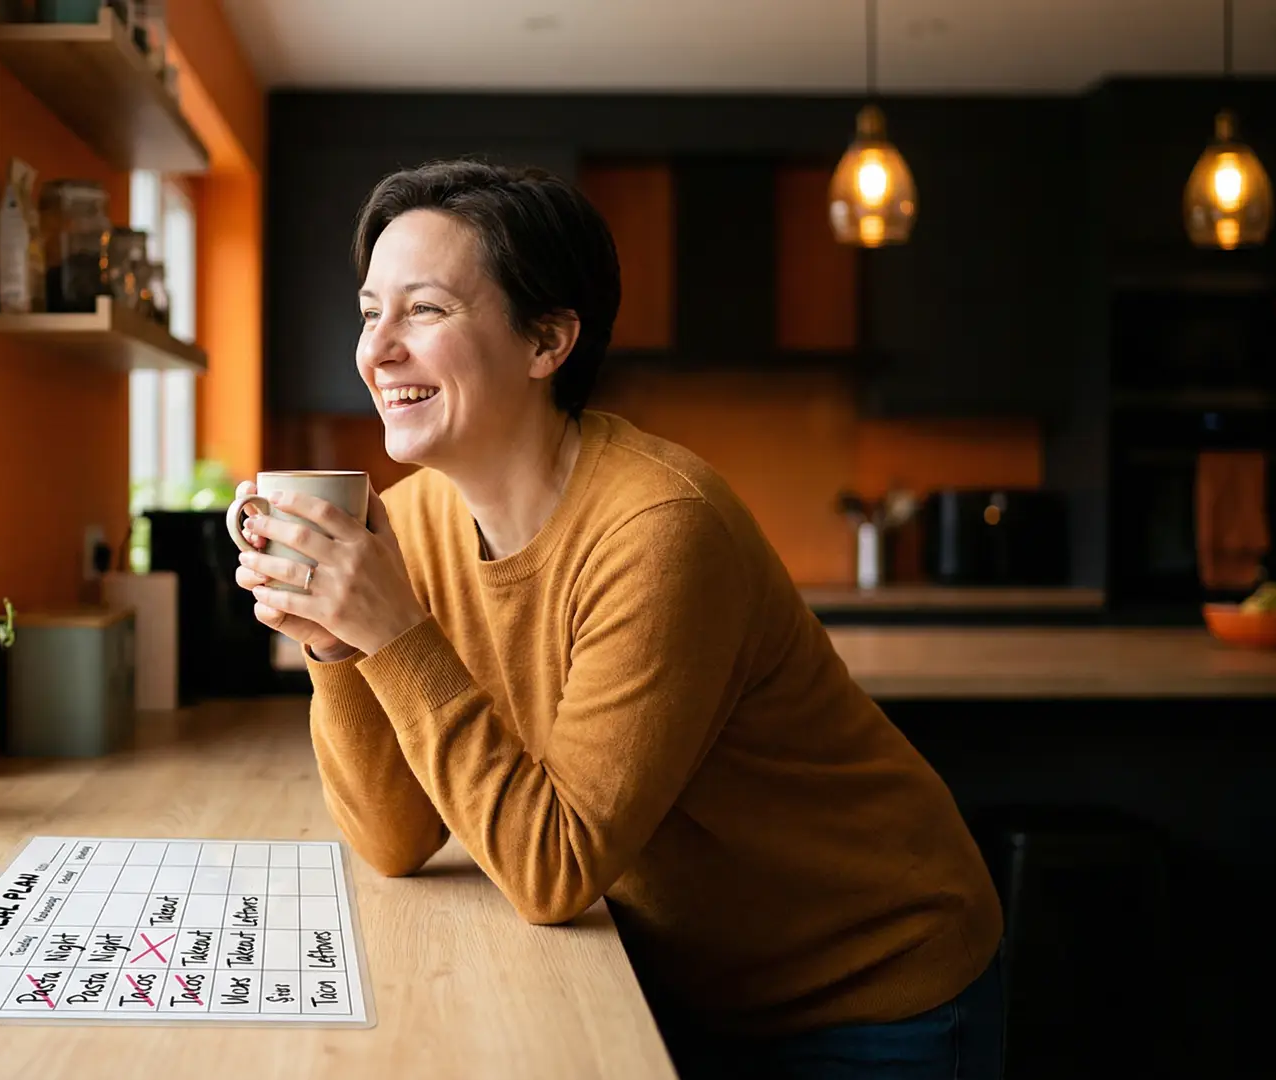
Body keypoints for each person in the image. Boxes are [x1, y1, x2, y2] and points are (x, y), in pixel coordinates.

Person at [231, 159, 1005, 1079]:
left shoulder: (659, 529)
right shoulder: (415, 522)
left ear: (547, 340)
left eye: (424, 310)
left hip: (869, 988)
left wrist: (395, 635)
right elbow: (397, 840)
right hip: (680, 979)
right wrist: (334, 639)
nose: (377, 350)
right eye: (369, 312)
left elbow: (554, 868)